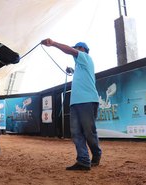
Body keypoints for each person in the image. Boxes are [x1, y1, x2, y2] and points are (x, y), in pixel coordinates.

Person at [41, 38, 102, 171]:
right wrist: (72, 71)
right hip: (75, 103)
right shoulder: (81, 66)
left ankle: (96, 154)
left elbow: (70, 51)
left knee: (88, 132)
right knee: (76, 133)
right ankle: (84, 161)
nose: (75, 51)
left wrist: (54, 43)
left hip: (87, 101)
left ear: (83, 50)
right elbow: (81, 75)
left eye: (77, 49)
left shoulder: (85, 57)